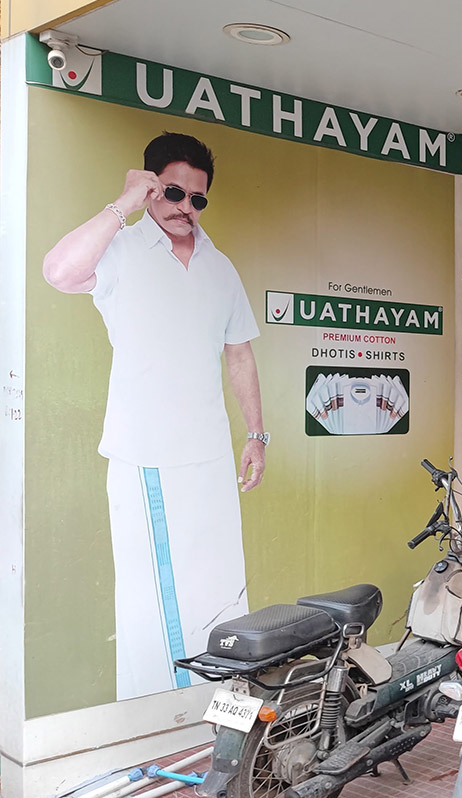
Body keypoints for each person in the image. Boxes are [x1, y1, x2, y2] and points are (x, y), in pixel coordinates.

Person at [42, 132, 267, 699]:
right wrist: (124, 204)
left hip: (210, 454)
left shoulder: (220, 267)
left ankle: (219, 706)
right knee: (157, 599)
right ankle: (159, 717)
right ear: (149, 187)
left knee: (220, 586)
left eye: (197, 198)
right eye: (173, 192)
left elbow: (239, 353)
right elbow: (59, 272)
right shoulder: (120, 250)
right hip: (147, 456)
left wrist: (256, 435)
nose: (185, 207)